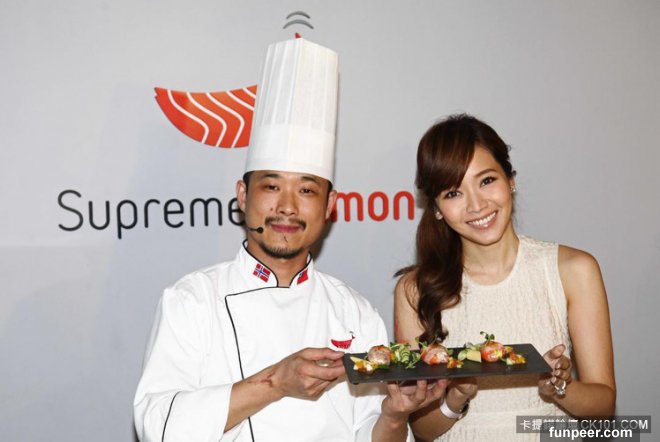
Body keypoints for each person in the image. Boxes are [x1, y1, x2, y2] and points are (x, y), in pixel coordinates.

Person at [134, 37, 445, 442]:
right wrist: (275, 382)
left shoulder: (354, 313)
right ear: (243, 195)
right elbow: (156, 426)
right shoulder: (192, 300)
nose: (287, 206)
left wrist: (393, 416)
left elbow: (373, 433)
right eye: (271, 186)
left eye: (306, 190)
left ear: (329, 205)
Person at [394, 114, 616, 441]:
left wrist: (559, 387)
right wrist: (455, 398)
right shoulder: (415, 290)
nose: (477, 205)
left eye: (486, 181)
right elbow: (421, 429)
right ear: (437, 208)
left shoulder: (573, 269)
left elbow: (604, 405)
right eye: (453, 193)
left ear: (510, 180)